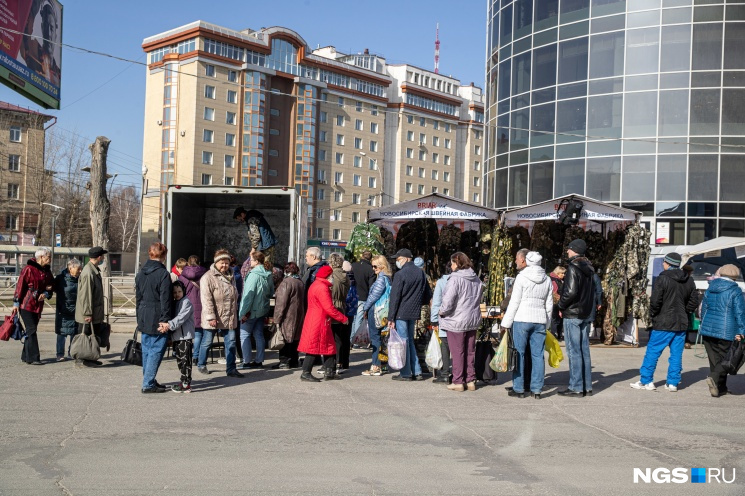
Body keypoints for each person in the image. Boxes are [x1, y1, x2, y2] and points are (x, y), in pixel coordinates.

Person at [630, 252, 698, 392]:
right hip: (680, 322)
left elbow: (655, 301)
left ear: (668, 263)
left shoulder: (662, 279)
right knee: (676, 354)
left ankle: (646, 381)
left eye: (664, 262)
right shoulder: (689, 280)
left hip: (664, 321)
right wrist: (685, 311)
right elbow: (694, 302)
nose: (662, 264)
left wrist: (654, 314)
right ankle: (672, 383)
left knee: (653, 352)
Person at [500, 251, 552, 399]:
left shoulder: (521, 277)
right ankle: (536, 389)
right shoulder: (547, 279)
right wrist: (547, 323)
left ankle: (519, 388)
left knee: (519, 354)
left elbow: (514, 302)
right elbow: (549, 304)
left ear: (527, 262)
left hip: (522, 319)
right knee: (538, 355)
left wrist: (506, 323)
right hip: (540, 320)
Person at [438, 252, 484, 392]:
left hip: (456, 320)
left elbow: (448, 300)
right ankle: (470, 380)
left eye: (452, 263)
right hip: (472, 318)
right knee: (470, 351)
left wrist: (441, 311)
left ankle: (458, 381)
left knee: (457, 352)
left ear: (457, 263)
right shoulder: (475, 278)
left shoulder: (455, 279)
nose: (450, 266)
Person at [699, 264, 745, 397]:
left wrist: (704, 324)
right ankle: (714, 377)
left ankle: (720, 388)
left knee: (715, 360)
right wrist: (742, 330)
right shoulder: (735, 291)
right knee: (726, 359)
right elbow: (740, 313)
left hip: (708, 329)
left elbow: (703, 310)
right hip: (726, 330)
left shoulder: (710, 287)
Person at [557, 239, 596, 397]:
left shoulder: (573, 267)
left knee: (574, 351)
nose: (567, 251)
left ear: (574, 250)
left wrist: (560, 304)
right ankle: (586, 386)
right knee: (584, 350)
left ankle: (576, 386)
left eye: (569, 249)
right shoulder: (589, 267)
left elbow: (571, 291)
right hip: (585, 313)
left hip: (573, 313)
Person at [387, 248, 432, 381]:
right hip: (414, 312)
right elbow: (427, 294)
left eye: (398, 259)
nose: (397, 261)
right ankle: (417, 370)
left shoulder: (400, 274)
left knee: (403, 342)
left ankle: (405, 373)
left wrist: (391, 317)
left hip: (401, 312)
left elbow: (395, 297)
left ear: (406, 258)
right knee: (410, 341)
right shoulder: (421, 273)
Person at [298, 265, 349, 382]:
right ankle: (306, 372)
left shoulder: (316, 285)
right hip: (320, 321)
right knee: (314, 346)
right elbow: (329, 308)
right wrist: (343, 318)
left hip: (316, 319)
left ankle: (330, 371)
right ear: (328, 276)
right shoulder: (322, 288)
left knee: (329, 345)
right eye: (332, 276)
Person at [198, 249, 243, 378]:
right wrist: (211, 316)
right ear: (216, 262)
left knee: (231, 342)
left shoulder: (231, 275)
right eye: (221, 263)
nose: (224, 265)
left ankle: (231, 369)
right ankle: (201, 364)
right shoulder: (208, 277)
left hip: (228, 316)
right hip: (213, 316)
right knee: (207, 342)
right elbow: (206, 299)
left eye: (227, 263)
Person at [135, 242, 172, 393]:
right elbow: (166, 299)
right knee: (156, 350)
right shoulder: (163, 274)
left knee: (147, 349)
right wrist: (165, 319)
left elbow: (138, 297)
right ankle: (148, 383)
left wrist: (139, 317)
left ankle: (148, 379)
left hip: (143, 313)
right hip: (157, 315)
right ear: (164, 255)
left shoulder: (141, 273)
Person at [14, 247, 54, 365]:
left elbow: (52, 285)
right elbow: (20, 286)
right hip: (26, 305)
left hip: (38, 305)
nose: (50, 259)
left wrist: (46, 293)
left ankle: (25, 356)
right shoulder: (28, 269)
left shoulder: (47, 271)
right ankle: (34, 357)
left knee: (31, 330)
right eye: (48, 257)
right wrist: (16, 302)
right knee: (31, 330)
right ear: (41, 257)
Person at [238, 251, 273, 369]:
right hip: (262, 309)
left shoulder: (253, 275)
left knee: (244, 335)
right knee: (259, 335)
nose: (249, 262)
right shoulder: (268, 273)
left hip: (251, 311)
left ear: (257, 261)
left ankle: (246, 361)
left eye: (251, 260)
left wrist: (243, 313)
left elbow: (248, 295)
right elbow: (271, 292)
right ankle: (259, 360)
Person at [75, 246, 107, 367]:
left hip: (94, 311)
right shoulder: (89, 272)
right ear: (99, 257)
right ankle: (84, 359)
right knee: (86, 336)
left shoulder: (93, 270)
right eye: (102, 256)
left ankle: (91, 358)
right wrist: (87, 313)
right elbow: (86, 295)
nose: (103, 258)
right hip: (88, 312)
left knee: (93, 335)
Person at [361, 255, 392, 376]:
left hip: (376, 311)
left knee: (375, 338)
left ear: (381, 266)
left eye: (375, 266)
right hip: (384, 311)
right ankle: (383, 365)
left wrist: (365, 308)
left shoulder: (381, 279)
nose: (373, 269)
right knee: (382, 338)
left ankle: (375, 365)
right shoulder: (388, 278)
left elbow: (374, 296)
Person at [273, 262, 305, 369]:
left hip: (287, 315)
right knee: (295, 339)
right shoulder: (300, 282)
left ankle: (284, 361)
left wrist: (277, 319)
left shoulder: (286, 283)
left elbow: (281, 303)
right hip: (299, 314)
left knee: (285, 338)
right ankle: (294, 361)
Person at [164, 281, 195, 393]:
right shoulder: (175, 302)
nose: (177, 294)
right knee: (180, 361)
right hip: (177, 337)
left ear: (184, 291)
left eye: (179, 291)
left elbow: (181, 318)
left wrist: (169, 325)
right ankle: (183, 380)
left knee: (186, 361)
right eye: (174, 292)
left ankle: (186, 384)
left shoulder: (186, 302)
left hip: (185, 337)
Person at [178, 255, 207, 365]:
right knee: (199, 333)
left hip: (186, 307)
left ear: (188, 263)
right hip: (201, 306)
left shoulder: (182, 277)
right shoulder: (205, 274)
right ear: (199, 263)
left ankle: (185, 355)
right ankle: (196, 357)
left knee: (186, 334)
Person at [54, 258, 81, 361]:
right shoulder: (60, 278)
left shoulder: (80, 278)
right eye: (78, 269)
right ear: (70, 268)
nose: (80, 271)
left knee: (74, 332)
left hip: (76, 309)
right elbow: (53, 288)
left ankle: (72, 352)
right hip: (63, 310)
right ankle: (60, 354)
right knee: (62, 333)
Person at [328, 253, 351, 374]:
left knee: (332, 336)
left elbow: (329, 291)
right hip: (342, 306)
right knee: (339, 337)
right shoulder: (345, 276)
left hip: (332, 306)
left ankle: (331, 363)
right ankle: (339, 362)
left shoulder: (331, 276)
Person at [430, 265, 451, 384]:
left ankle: (445, 373)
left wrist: (434, 320)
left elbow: (436, 302)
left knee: (445, 346)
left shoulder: (442, 282)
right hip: (461, 320)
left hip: (445, 319)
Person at [351, 251, 376, 342]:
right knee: (359, 318)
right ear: (370, 258)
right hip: (363, 296)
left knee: (353, 318)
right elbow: (371, 286)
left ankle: (351, 339)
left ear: (361, 256)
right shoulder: (370, 269)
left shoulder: (354, 266)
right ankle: (356, 340)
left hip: (353, 295)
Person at [548, 266, 566, 340]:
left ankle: (558, 334)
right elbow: (554, 292)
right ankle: (554, 334)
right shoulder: (554, 281)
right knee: (555, 318)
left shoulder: (559, 280)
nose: (563, 275)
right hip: (555, 302)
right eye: (562, 273)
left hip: (559, 301)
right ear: (557, 273)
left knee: (559, 318)